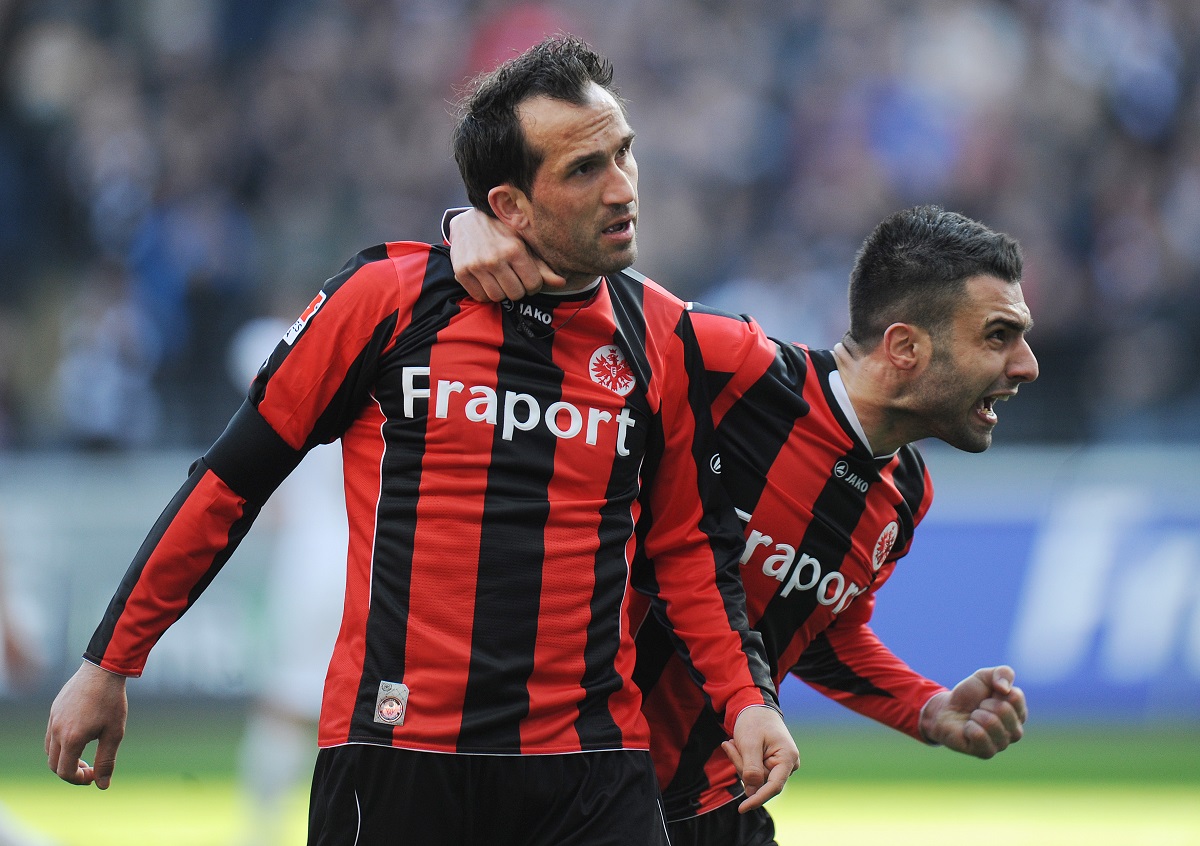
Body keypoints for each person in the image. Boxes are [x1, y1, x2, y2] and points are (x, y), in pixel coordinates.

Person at [44, 36, 798, 846]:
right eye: (585, 170)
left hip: (591, 767)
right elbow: (229, 485)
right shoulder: (387, 302)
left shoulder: (662, 338)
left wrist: (745, 699)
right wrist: (110, 661)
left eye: (624, 154)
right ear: (506, 205)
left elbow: (687, 547)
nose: (623, 189)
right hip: (398, 754)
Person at [446, 202, 1034, 846]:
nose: (1026, 364)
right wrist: (469, 224)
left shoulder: (906, 494)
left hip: (720, 802)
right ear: (904, 346)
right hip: (574, 787)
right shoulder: (735, 367)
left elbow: (818, 633)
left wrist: (926, 707)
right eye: (998, 336)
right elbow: (582, 286)